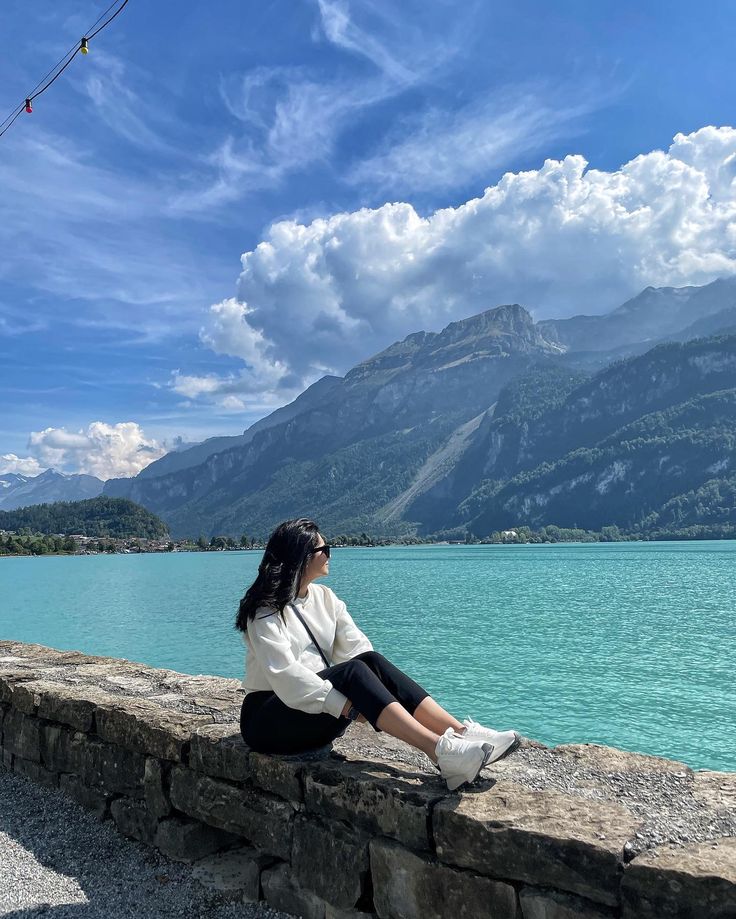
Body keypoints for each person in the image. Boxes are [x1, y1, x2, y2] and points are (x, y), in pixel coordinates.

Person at [235, 518, 520, 791]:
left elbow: (360, 651)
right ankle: (440, 752)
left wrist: (371, 695)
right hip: (268, 720)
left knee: (370, 661)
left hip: (312, 712)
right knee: (352, 672)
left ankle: (460, 733)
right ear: (302, 556)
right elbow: (287, 677)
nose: (329, 555)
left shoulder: (325, 598)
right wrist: (349, 707)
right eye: (325, 549)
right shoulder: (265, 611)